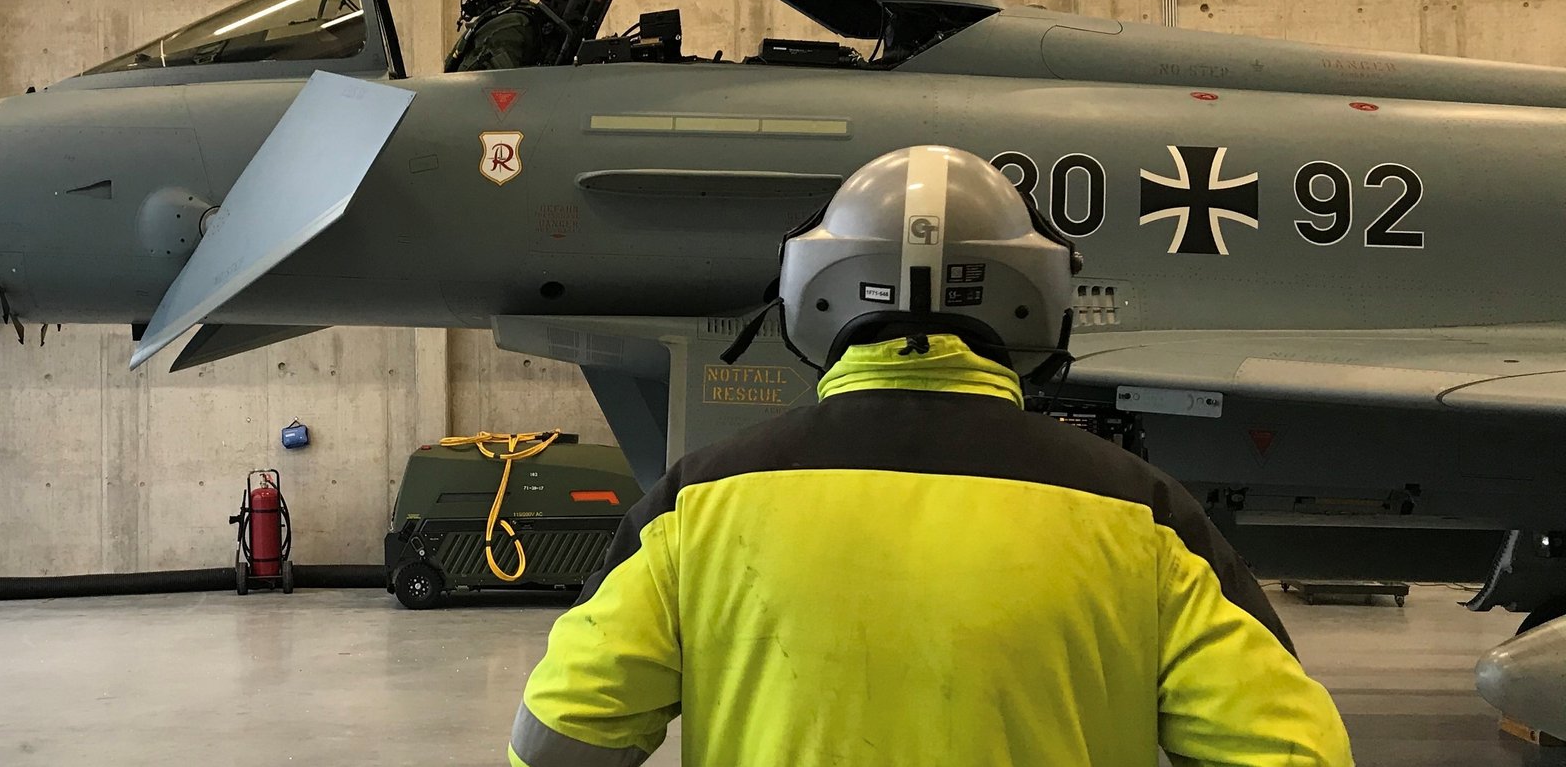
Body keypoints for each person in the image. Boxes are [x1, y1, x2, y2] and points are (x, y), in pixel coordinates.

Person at [507, 145, 1352, 767]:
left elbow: (557, 737)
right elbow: (1294, 749)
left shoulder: (698, 504)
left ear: (813, 287)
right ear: (1042, 298)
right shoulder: (1144, 517)